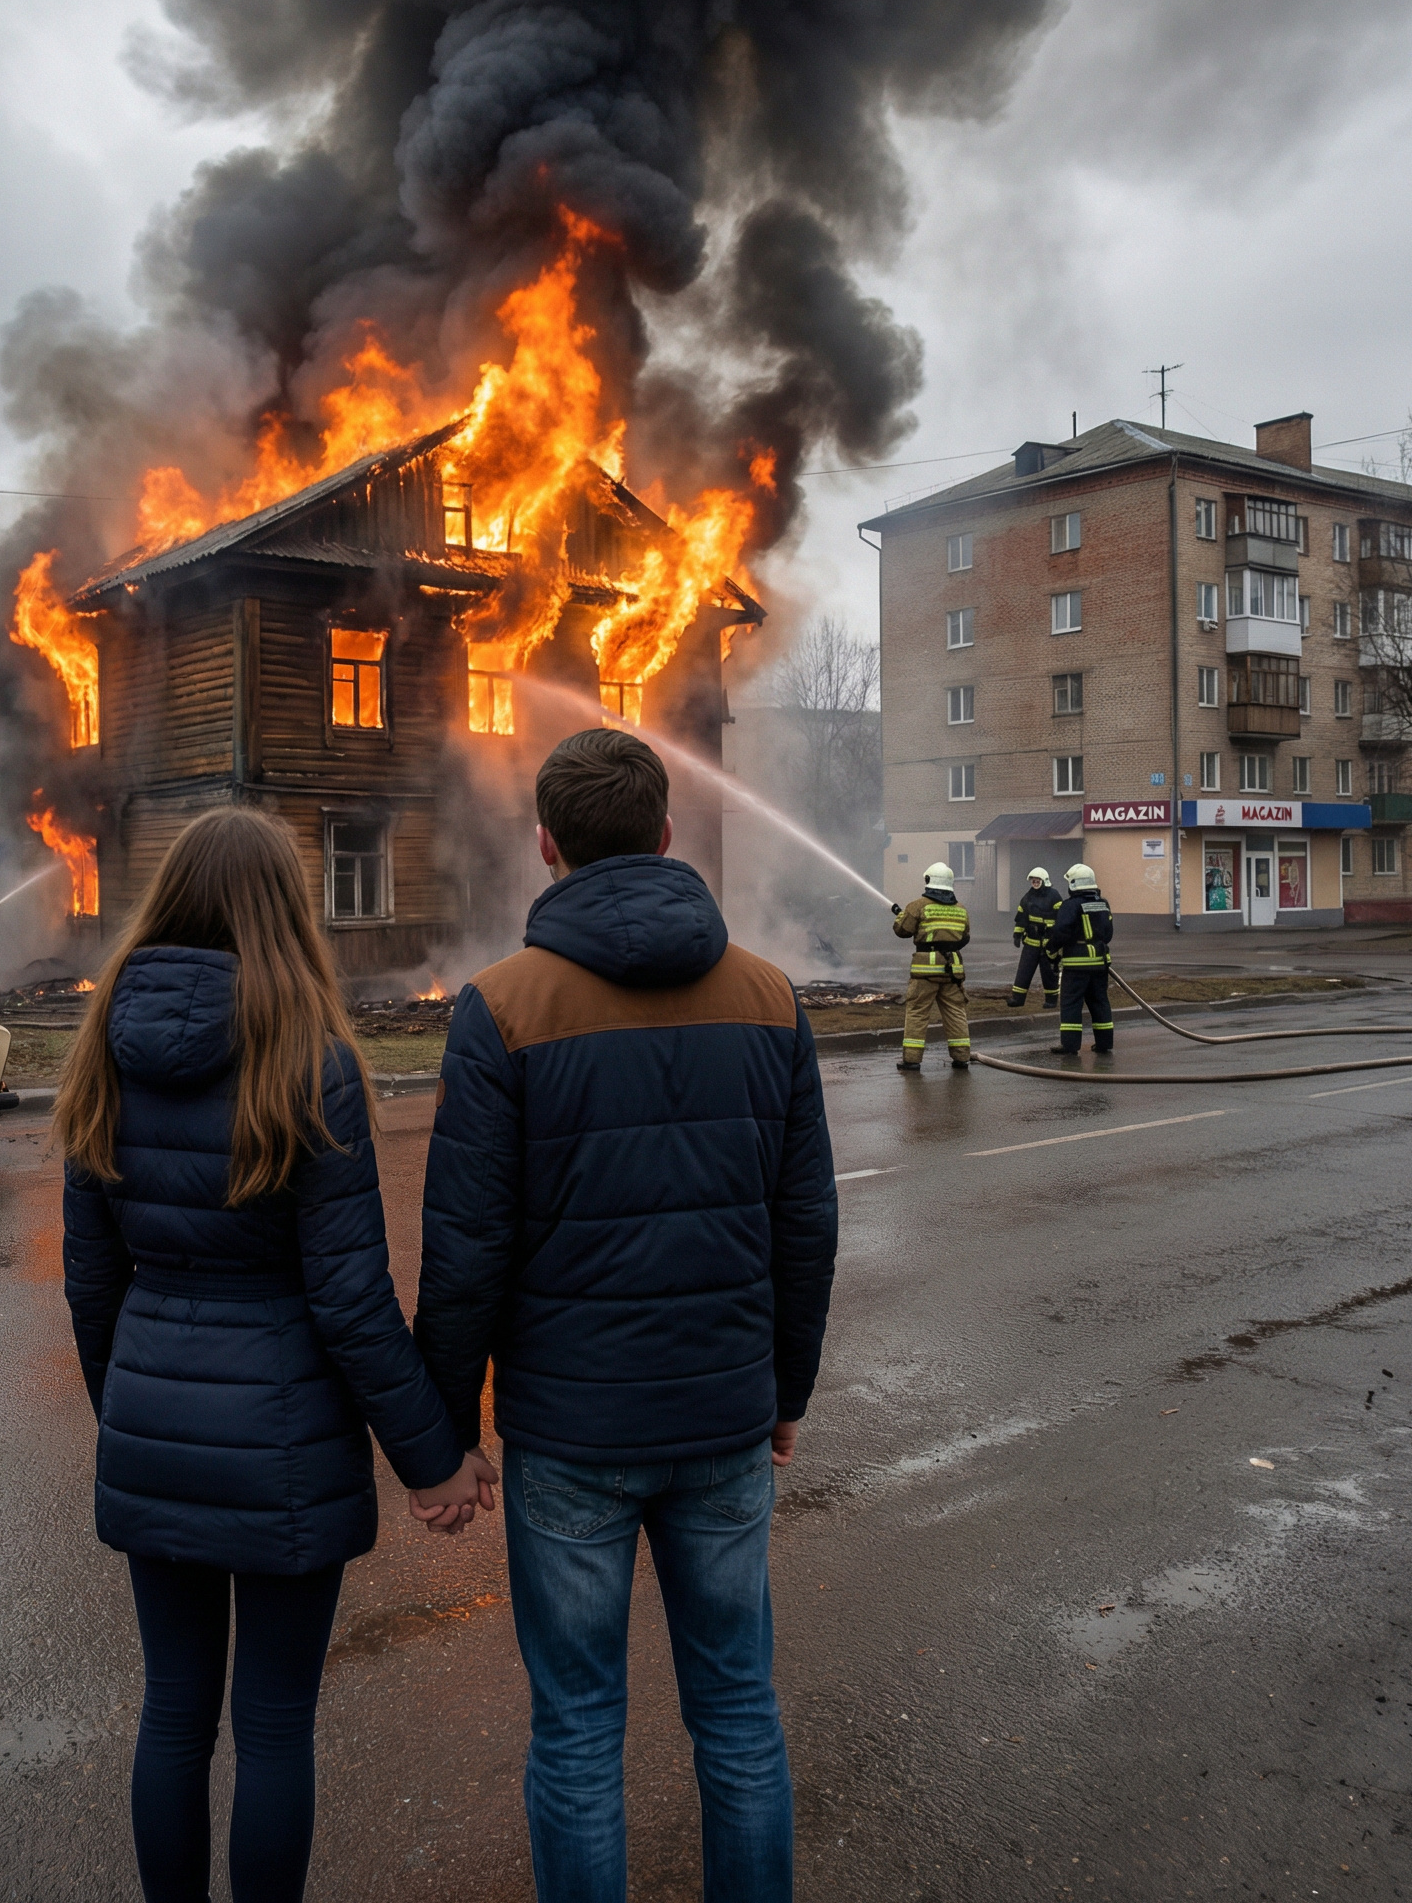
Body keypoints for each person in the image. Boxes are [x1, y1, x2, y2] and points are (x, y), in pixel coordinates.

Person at [414, 727, 838, 1903]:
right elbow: (805, 1226)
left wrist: (444, 1431)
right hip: (721, 1420)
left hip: (569, 1437)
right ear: (663, 835)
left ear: (546, 845)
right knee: (739, 1714)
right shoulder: (767, 996)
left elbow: (463, 1253)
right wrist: (783, 1393)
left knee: (578, 1731)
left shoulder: (497, 1008)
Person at [56, 806, 487, 1903]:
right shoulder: (313, 1059)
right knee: (272, 1721)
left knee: (172, 1710)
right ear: (285, 909)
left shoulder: (102, 1045)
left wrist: (131, 1417)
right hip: (285, 1439)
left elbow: (91, 1278)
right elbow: (347, 1298)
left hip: (154, 1423)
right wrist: (432, 1456)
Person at [891, 861, 972, 1070]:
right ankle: (962, 1057)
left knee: (918, 1012)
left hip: (924, 973)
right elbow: (964, 937)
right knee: (956, 1012)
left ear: (928, 881)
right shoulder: (961, 909)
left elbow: (901, 931)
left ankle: (912, 1060)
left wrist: (902, 916)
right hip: (952, 971)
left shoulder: (917, 906)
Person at [1046, 860, 1115, 1057]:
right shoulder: (1103, 904)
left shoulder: (1070, 906)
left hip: (1076, 965)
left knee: (1071, 1004)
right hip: (1100, 964)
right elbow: (1108, 934)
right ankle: (1104, 1043)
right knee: (1100, 1002)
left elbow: (1060, 933)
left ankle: (1070, 1045)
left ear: (1074, 884)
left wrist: (1051, 950)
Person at [1005, 865, 1062, 1010]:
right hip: (1031, 942)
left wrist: (1054, 936)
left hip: (1048, 943)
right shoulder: (1028, 897)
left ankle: (1051, 1000)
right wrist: (1017, 934)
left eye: (1038, 881)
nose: (1035, 883)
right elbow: (1021, 917)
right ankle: (1017, 998)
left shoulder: (1054, 896)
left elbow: (1061, 918)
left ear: (1044, 881)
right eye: (1033, 881)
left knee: (1049, 973)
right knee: (1024, 970)